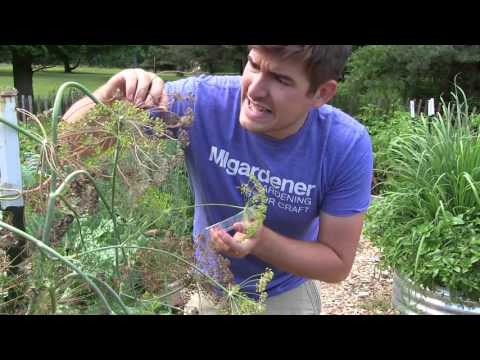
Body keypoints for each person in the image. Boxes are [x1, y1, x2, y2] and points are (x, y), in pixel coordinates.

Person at [63, 45, 373, 315]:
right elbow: (66, 143)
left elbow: (337, 263)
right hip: (210, 288)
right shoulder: (202, 102)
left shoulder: (344, 145)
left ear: (321, 93)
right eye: (253, 64)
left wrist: (262, 242)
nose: (254, 89)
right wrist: (109, 96)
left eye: (280, 79)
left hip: (285, 295)